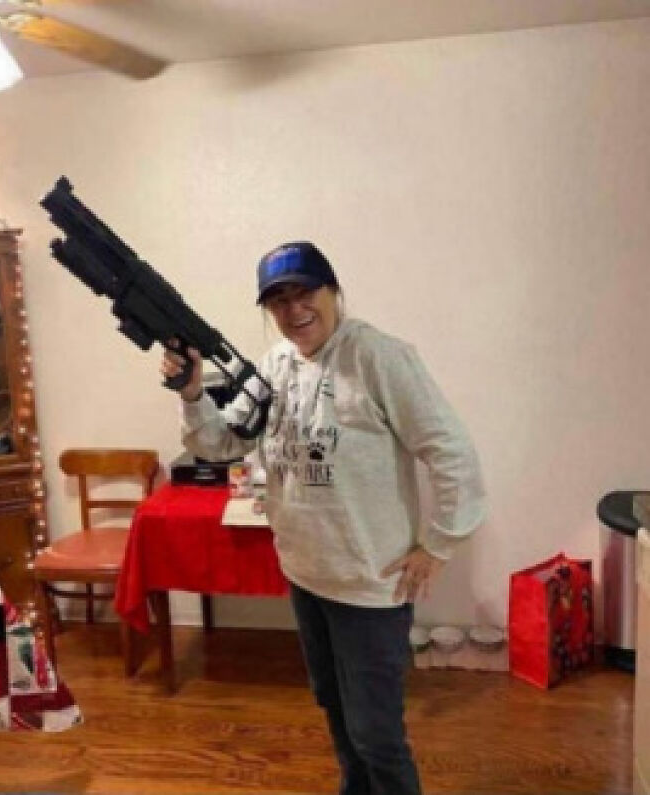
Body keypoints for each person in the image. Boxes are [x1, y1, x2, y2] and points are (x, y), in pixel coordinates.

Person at [161, 241, 486, 795]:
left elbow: (451, 452)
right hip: (307, 575)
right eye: (278, 301)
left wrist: (438, 544)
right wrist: (192, 392)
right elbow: (222, 443)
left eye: (304, 293)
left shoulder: (379, 357)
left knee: (376, 733)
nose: (293, 311)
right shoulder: (276, 365)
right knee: (335, 708)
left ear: (333, 291)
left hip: (369, 584)